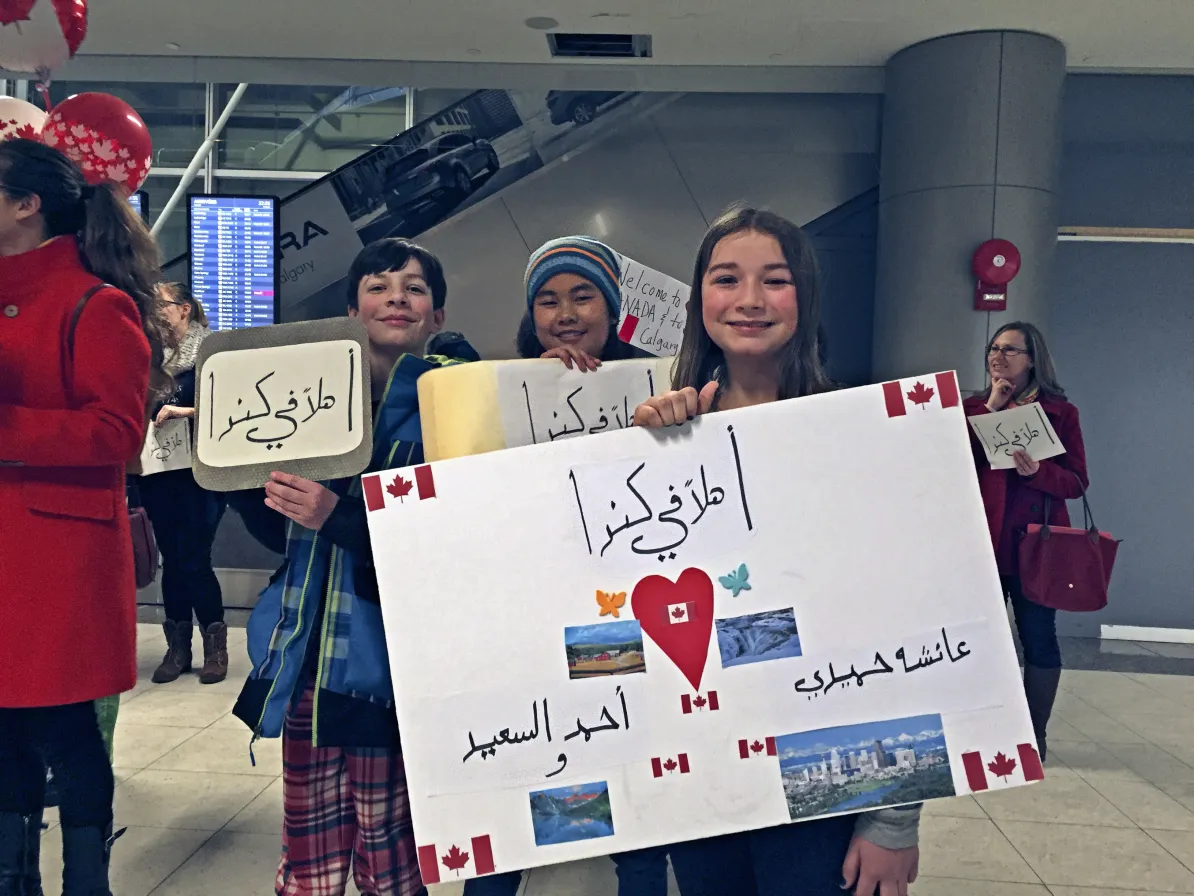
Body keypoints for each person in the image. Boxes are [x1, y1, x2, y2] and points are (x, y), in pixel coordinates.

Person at [632, 206, 920, 896]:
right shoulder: (658, 445)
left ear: (806, 296)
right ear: (700, 297)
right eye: (727, 278)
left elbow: (903, 622)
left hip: (829, 767)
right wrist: (635, 458)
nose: (751, 301)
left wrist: (894, 820)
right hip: (704, 780)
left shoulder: (860, 438)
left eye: (776, 280)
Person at [229, 238, 477, 896]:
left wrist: (334, 515)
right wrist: (218, 460)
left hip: (393, 671)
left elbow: (451, 536)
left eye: (416, 287)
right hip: (306, 661)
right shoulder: (301, 403)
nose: (397, 295)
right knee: (307, 854)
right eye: (379, 284)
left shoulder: (459, 408)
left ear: (438, 316)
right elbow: (278, 533)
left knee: (389, 852)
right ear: (349, 310)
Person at [463, 236, 668, 896]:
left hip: (621, 625)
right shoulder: (496, 386)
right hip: (528, 628)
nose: (567, 313)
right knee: (518, 795)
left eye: (583, 296)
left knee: (634, 798)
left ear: (611, 306)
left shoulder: (658, 387)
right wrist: (537, 389)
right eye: (548, 300)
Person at [0, 138, 168, 896]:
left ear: (26, 204)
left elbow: (116, 433)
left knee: (64, 731)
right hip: (20, 555)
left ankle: (86, 881)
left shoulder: (95, 304)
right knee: (3, 732)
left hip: (55, 559)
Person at [963, 322, 1088, 760]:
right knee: (983, 643)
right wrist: (989, 410)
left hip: (1038, 544)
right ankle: (984, 729)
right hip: (985, 542)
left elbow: (1076, 482)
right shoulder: (973, 408)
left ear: (1032, 357)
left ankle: (1034, 735)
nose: (998, 356)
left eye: (1010, 350)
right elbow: (952, 466)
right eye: (993, 348)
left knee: (1037, 636)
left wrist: (1040, 474)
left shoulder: (1060, 412)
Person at [139, 282, 230, 684]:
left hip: (201, 470)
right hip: (157, 471)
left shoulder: (212, 352)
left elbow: (234, 403)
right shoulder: (147, 356)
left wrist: (185, 410)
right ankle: (177, 648)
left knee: (194, 558)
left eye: (163, 305)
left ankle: (216, 647)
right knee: (171, 561)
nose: (156, 312)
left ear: (185, 309)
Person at [516, 235, 655, 370]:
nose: (566, 316)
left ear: (613, 312)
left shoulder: (661, 381)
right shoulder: (508, 388)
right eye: (549, 302)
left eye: (582, 298)